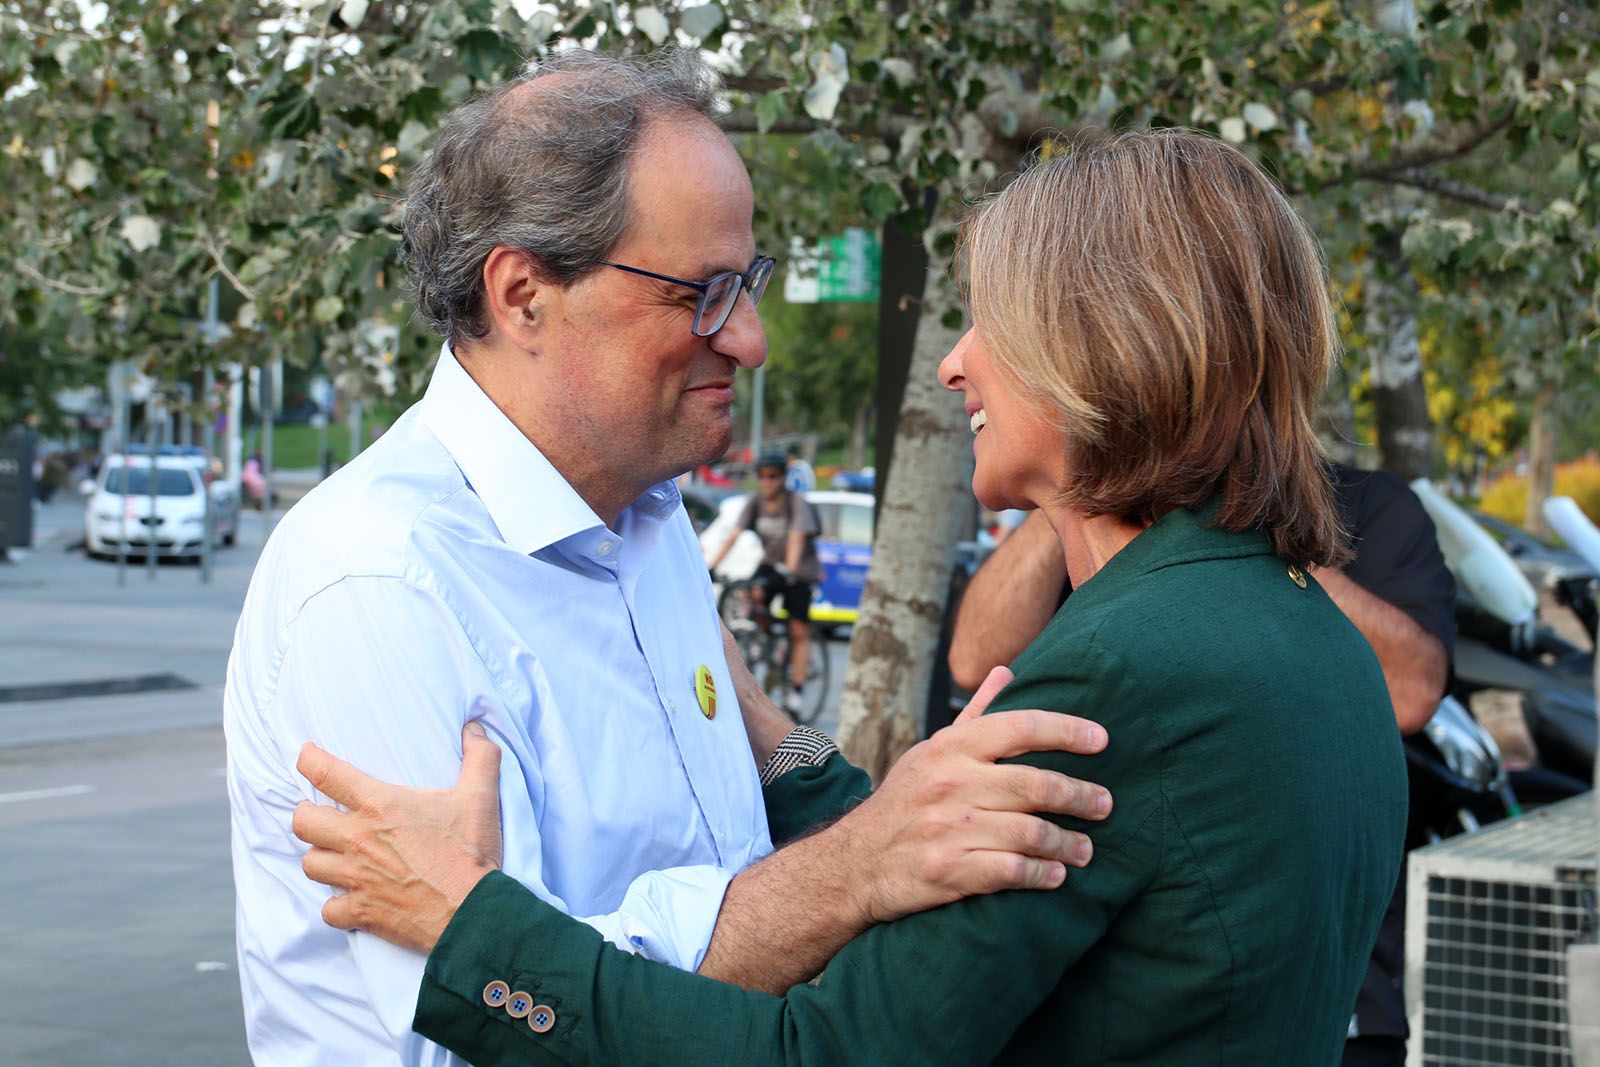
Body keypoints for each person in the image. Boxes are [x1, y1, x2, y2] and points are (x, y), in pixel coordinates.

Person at [291, 129, 1409, 1064]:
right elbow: (968, 880)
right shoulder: (1296, 631)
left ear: (1104, 348)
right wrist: (772, 739)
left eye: (995, 323)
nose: (958, 363)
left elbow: (817, 1053)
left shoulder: (1119, 674)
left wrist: (468, 933)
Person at [223, 50, 1112, 1067]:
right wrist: (852, 868)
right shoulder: (381, 584)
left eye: (749, 281)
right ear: (521, 294)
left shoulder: (643, 514)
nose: (749, 338)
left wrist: (812, 772)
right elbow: (477, 1024)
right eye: (703, 291)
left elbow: (728, 805)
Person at [950, 464, 1455, 1067]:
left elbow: (1413, 691)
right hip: (1119, 978)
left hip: (1322, 984)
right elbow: (974, 659)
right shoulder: (1096, 509)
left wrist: (1243, 523)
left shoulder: (1375, 505)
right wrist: (1070, 489)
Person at [707, 452, 821, 715]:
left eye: (773, 476)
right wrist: (711, 567)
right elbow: (733, 535)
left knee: (798, 630)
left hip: (799, 569)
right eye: (762, 476)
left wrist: (790, 570)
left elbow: (796, 540)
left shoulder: (796, 504)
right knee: (753, 592)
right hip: (770, 563)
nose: (767, 482)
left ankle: (796, 690)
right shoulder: (755, 502)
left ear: (782, 478)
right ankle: (767, 641)